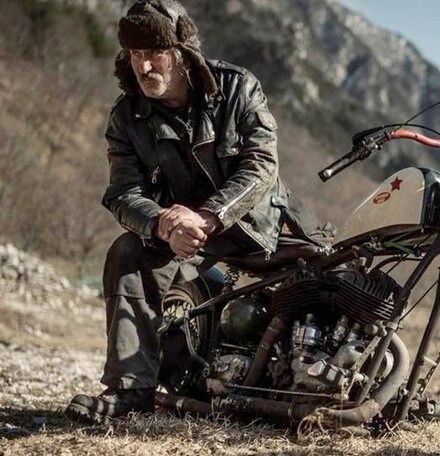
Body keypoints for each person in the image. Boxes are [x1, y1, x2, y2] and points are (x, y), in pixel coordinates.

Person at [66, 0, 332, 424]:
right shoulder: (126, 117)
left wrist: (207, 217)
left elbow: (261, 165)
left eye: (155, 53)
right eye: (136, 55)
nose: (145, 66)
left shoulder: (238, 88)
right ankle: (131, 392)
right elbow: (122, 193)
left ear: (182, 53)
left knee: (339, 283)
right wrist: (160, 224)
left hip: (263, 225)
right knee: (127, 253)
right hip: (181, 237)